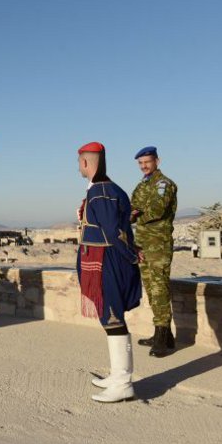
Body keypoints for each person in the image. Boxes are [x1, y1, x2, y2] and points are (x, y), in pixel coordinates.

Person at [76, 142, 142, 403]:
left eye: (79, 162)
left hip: (107, 262)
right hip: (104, 260)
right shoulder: (107, 189)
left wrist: (130, 254)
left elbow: (113, 231)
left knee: (113, 317)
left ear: (85, 163)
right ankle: (117, 375)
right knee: (109, 318)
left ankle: (123, 382)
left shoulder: (102, 192)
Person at [130, 146, 178, 357]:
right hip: (142, 244)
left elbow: (156, 211)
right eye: (140, 163)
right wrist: (134, 212)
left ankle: (162, 335)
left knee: (159, 289)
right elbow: (132, 208)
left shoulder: (164, 184)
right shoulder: (142, 185)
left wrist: (136, 213)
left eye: (147, 162)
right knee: (150, 289)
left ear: (157, 161)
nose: (144, 166)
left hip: (158, 245)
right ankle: (164, 336)